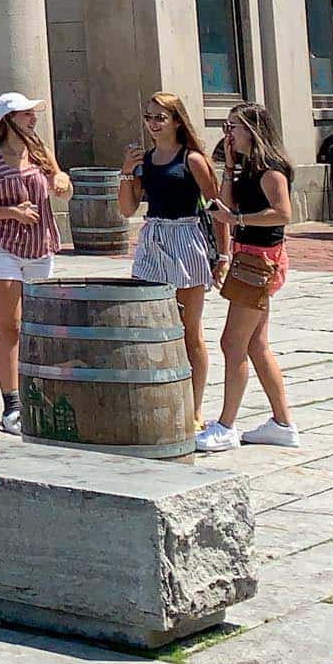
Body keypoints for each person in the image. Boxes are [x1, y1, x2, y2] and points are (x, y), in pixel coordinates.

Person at [0, 90, 70, 435]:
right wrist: (10, 212)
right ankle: (12, 403)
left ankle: (39, 393)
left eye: (32, 113)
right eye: (26, 114)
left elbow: (62, 185)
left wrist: (62, 182)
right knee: (10, 325)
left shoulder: (40, 152)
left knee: (37, 327)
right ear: (8, 120)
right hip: (1, 247)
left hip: (40, 245)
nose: (33, 118)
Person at [199, 103, 301, 452]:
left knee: (232, 343)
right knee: (256, 345)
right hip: (248, 257)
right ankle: (282, 422)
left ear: (253, 130)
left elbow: (283, 214)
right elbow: (226, 208)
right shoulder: (246, 168)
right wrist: (228, 167)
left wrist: (238, 220)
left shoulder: (271, 170)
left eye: (233, 127)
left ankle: (227, 425)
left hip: (261, 261)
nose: (227, 133)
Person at [119, 92, 223, 421]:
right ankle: (161, 397)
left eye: (160, 117)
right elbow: (127, 208)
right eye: (149, 117)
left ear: (177, 120)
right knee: (151, 321)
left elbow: (216, 207)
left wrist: (223, 254)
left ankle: (193, 407)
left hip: (185, 237)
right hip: (153, 237)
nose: (153, 124)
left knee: (188, 328)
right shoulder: (145, 160)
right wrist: (126, 173)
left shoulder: (192, 159)